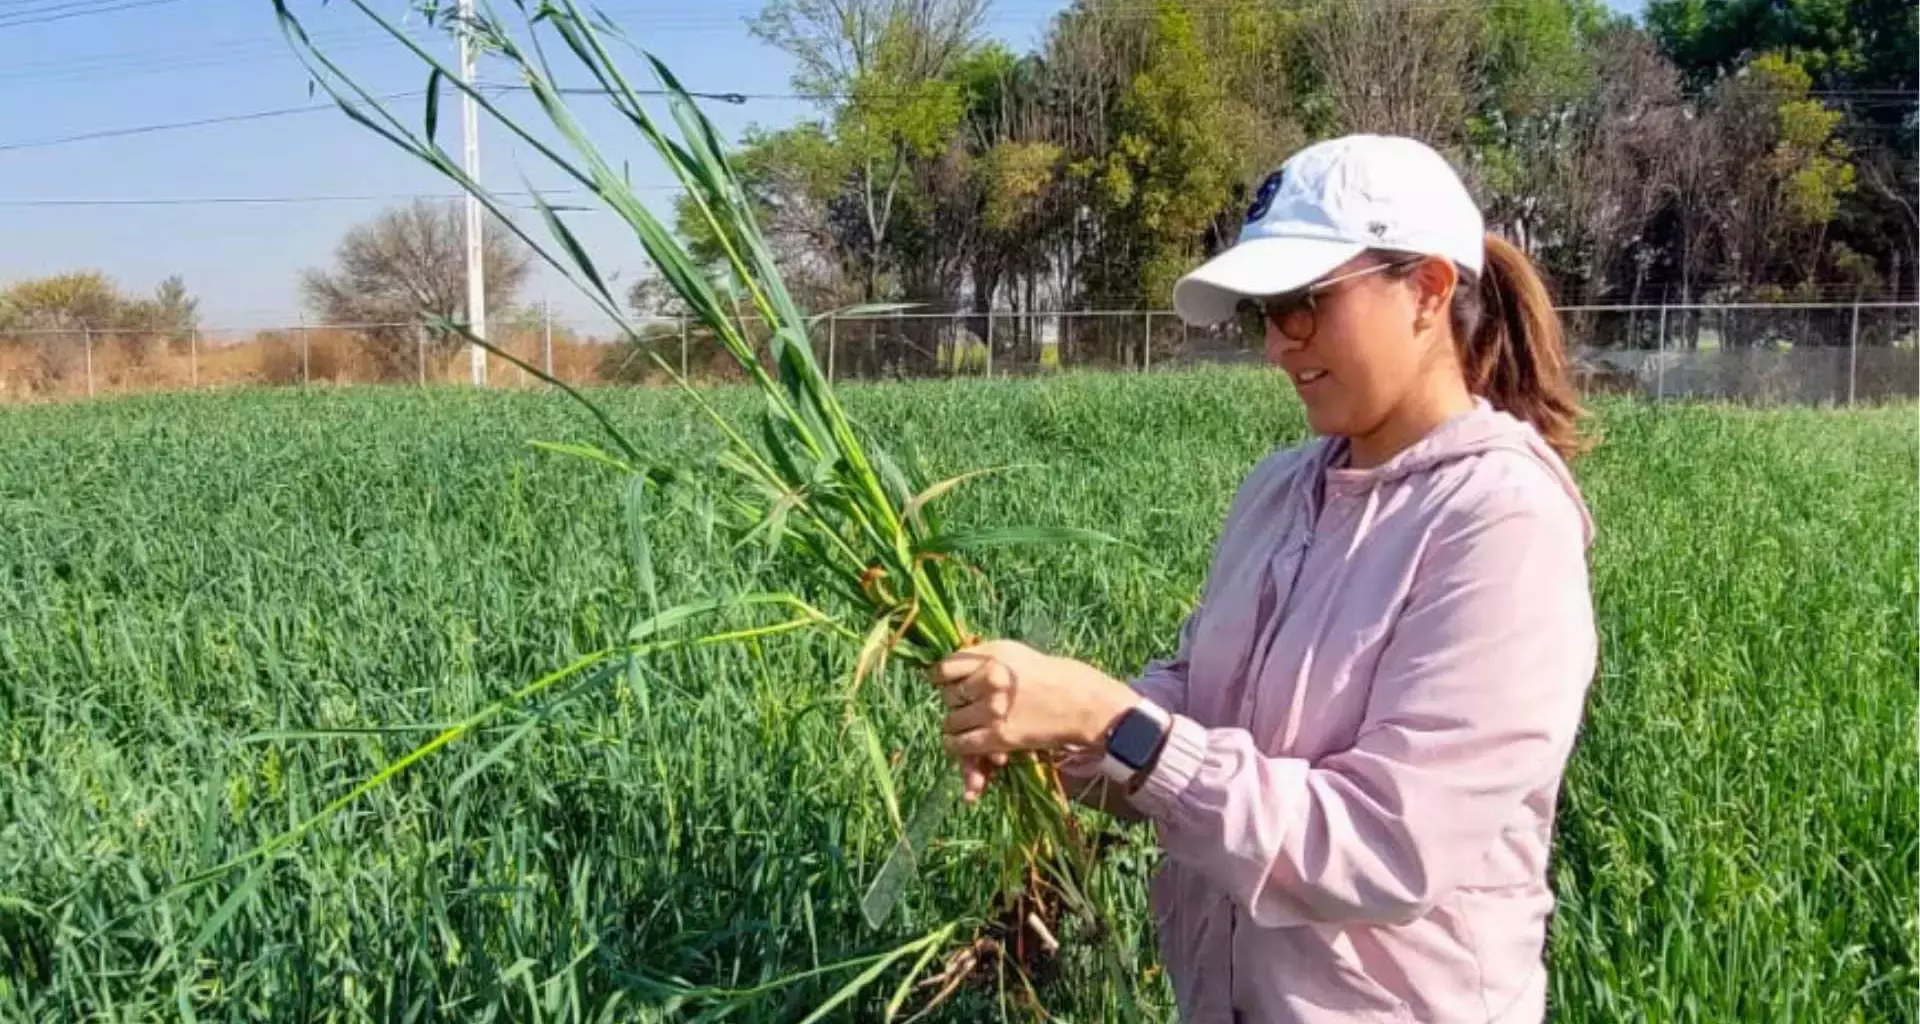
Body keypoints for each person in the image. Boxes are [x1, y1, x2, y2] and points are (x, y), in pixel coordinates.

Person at [930, 134, 1599, 1023]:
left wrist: (1113, 721)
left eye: (1305, 304)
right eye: (1265, 312)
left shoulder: (1501, 519)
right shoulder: (1280, 489)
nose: (1281, 345)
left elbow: (1388, 847)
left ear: (1430, 291)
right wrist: (1058, 740)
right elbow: (1205, 701)